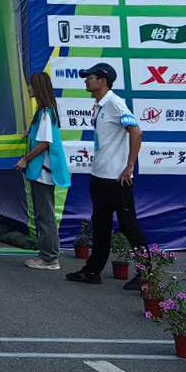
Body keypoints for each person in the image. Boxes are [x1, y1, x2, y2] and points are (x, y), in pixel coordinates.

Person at [66, 62, 147, 287]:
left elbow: (136, 132)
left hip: (116, 178)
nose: (85, 80)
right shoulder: (100, 104)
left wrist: (130, 165)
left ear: (102, 81)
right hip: (100, 175)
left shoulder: (115, 103)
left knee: (129, 226)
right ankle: (92, 271)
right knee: (100, 226)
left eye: (89, 77)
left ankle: (148, 274)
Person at [16, 72, 71, 271]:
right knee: (43, 214)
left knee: (45, 215)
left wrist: (25, 158)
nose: (29, 89)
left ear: (38, 87)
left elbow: (45, 143)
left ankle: (49, 258)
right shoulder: (44, 112)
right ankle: (46, 254)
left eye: (31, 85)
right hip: (41, 171)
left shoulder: (46, 112)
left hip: (43, 172)